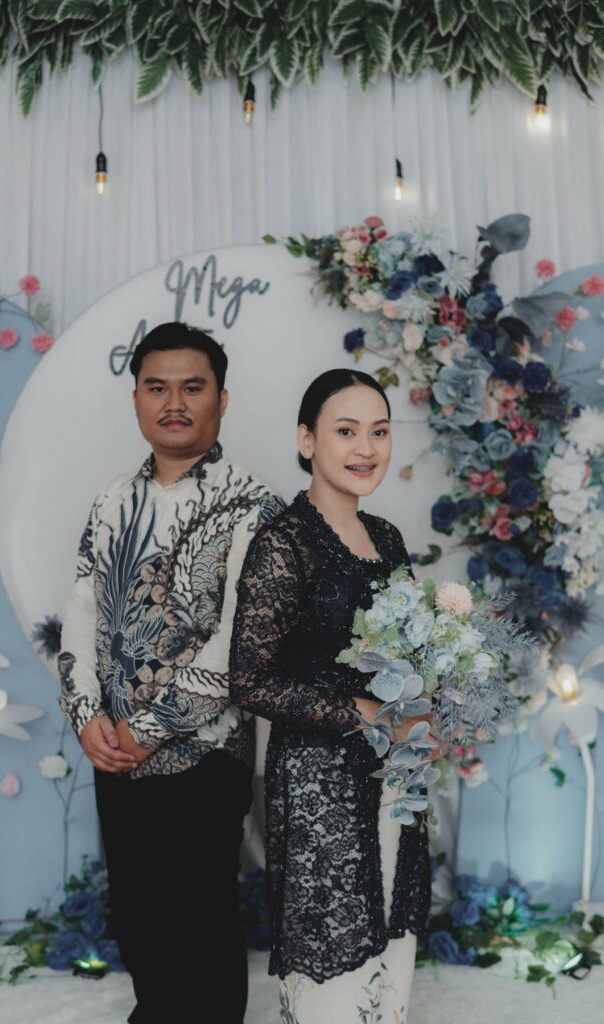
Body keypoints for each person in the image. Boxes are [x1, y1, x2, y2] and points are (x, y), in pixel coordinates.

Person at [58, 321, 282, 1024]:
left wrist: (150, 728)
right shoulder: (112, 499)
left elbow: (241, 644)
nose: (174, 403)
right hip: (115, 750)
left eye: (192, 387)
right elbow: (82, 609)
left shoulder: (254, 505)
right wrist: (86, 716)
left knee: (198, 915)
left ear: (222, 399)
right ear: (136, 398)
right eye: (157, 388)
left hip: (203, 752)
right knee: (138, 913)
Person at [229, 368, 431, 1022]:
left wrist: (425, 705)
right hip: (320, 788)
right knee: (332, 976)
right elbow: (248, 678)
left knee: (391, 967)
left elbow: (410, 652)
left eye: (379, 431)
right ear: (306, 440)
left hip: (396, 777)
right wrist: (357, 712)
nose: (366, 448)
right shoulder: (284, 544)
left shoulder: (388, 538)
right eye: (346, 431)